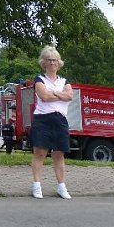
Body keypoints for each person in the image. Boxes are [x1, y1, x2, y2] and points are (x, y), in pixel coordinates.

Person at [30, 45, 73, 199]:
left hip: (60, 120)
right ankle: (36, 186)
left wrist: (53, 92)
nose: (53, 63)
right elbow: (44, 97)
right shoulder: (39, 79)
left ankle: (62, 187)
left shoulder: (64, 80)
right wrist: (60, 94)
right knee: (40, 153)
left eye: (55, 60)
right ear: (44, 62)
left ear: (58, 62)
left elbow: (70, 96)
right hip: (43, 120)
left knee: (59, 154)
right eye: (49, 60)